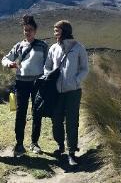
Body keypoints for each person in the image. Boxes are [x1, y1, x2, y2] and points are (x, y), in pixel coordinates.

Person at [2, 15, 48, 157]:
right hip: (21, 82)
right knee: (20, 113)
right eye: (25, 30)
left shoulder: (42, 46)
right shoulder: (19, 46)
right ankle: (19, 143)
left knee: (37, 113)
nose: (28, 32)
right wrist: (9, 64)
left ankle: (34, 143)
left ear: (35, 31)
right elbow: (5, 58)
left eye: (30, 30)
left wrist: (45, 78)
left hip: (38, 83)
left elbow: (48, 64)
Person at [44, 20, 88, 166]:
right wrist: (49, 77)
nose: (54, 33)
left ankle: (71, 152)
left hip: (73, 91)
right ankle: (60, 145)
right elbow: (47, 66)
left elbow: (84, 69)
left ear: (65, 31)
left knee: (71, 121)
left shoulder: (78, 48)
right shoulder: (53, 48)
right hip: (56, 92)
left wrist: (76, 80)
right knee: (56, 120)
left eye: (57, 30)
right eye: (54, 30)